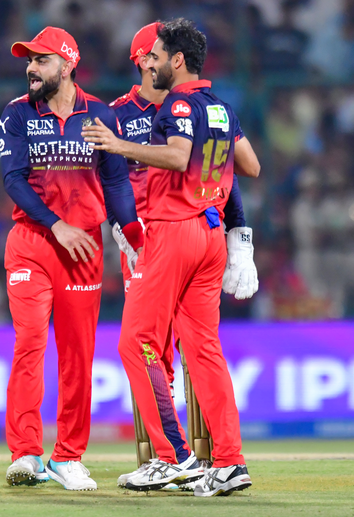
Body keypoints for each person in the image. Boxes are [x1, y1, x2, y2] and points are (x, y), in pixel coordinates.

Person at [82, 18, 260, 495]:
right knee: (203, 349)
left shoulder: (176, 105)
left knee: (134, 343)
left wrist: (119, 145)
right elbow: (250, 165)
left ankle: (173, 457)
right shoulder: (219, 106)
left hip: (171, 233)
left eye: (158, 57)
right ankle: (229, 461)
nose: (152, 64)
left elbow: (178, 156)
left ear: (174, 60)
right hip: (209, 232)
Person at [0, 26, 144, 491]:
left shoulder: (100, 114)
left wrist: (131, 233)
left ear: (67, 65)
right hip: (32, 241)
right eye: (29, 60)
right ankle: (25, 453)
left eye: (41, 60)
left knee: (78, 354)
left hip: (83, 247)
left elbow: (117, 182)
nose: (31, 68)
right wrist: (55, 224)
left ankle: (68, 456)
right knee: (29, 342)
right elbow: (13, 178)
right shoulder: (17, 114)